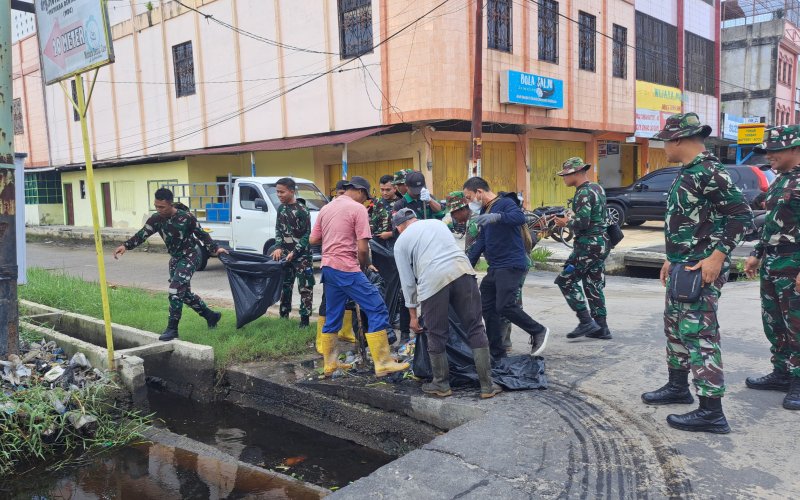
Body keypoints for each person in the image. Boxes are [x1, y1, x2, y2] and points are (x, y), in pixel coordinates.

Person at [641, 112, 752, 434]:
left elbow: (742, 216)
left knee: (700, 336)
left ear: (677, 140)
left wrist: (717, 257)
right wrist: (670, 258)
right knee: (676, 329)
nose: (663, 147)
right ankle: (678, 387)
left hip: (701, 267)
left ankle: (711, 412)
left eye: (665, 141)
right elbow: (688, 221)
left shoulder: (708, 171)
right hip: (682, 264)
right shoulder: (689, 171)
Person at [393, 208, 503, 399]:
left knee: (436, 332)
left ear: (399, 228)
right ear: (416, 219)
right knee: (475, 327)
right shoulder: (437, 223)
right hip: (463, 271)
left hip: (433, 279)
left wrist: (412, 317)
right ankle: (487, 385)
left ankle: (441, 384)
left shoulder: (400, 242)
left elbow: (408, 282)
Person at [309, 176, 409, 377]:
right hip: (347, 268)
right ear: (361, 191)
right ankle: (383, 362)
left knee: (333, 315)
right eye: (366, 197)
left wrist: (334, 237)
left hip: (328, 269)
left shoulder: (326, 208)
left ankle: (330, 364)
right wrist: (362, 268)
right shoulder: (358, 209)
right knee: (377, 307)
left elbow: (313, 239)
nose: (365, 201)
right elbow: (363, 249)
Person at [114, 188, 229, 341]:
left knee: (175, 290)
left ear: (171, 205)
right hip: (175, 259)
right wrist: (126, 246)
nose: (158, 210)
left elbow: (202, 234)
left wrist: (215, 249)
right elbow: (142, 234)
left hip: (189, 256)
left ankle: (172, 329)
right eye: (156, 206)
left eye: (162, 207)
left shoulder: (187, 217)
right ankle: (211, 316)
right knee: (183, 294)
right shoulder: (156, 219)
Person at [743, 125, 800, 411]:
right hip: (773, 261)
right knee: (774, 320)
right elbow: (772, 223)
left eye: (775, 150)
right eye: (767, 151)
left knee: (797, 324)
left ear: (795, 148)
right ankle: (782, 372)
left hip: (795, 262)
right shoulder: (781, 180)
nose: (768, 156)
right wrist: (757, 253)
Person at [463, 177, 549, 359]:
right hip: (495, 266)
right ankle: (497, 352)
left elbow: (519, 217)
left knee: (505, 305)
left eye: (469, 197)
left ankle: (538, 330)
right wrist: (468, 264)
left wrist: (498, 217)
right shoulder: (485, 210)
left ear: (479, 192)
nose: (469, 202)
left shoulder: (505, 203)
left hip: (511, 263)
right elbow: (483, 239)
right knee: (487, 305)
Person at [448, 190, 526, 351]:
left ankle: (503, 343)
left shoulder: (475, 221)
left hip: (510, 263)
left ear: (461, 209)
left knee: (504, 303)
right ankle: (504, 342)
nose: (453, 218)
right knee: (505, 301)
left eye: (453, 213)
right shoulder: (479, 214)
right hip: (508, 262)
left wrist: (462, 272)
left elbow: (472, 251)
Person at [553, 158, 612, 340]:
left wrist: (565, 222)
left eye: (565, 175)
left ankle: (586, 321)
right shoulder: (597, 188)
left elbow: (582, 223)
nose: (563, 178)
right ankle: (601, 327)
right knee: (593, 283)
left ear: (576, 173)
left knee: (565, 280)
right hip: (602, 243)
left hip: (588, 245)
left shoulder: (582, 193)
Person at [270, 177, 314, 328]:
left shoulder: (302, 210)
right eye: (277, 192)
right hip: (285, 256)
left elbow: (308, 234)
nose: (279, 195)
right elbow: (278, 229)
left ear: (291, 192)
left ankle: (304, 320)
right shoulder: (281, 209)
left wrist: (295, 252)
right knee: (285, 286)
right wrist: (278, 247)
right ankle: (283, 316)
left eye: (282, 192)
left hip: (302, 257)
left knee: (305, 288)